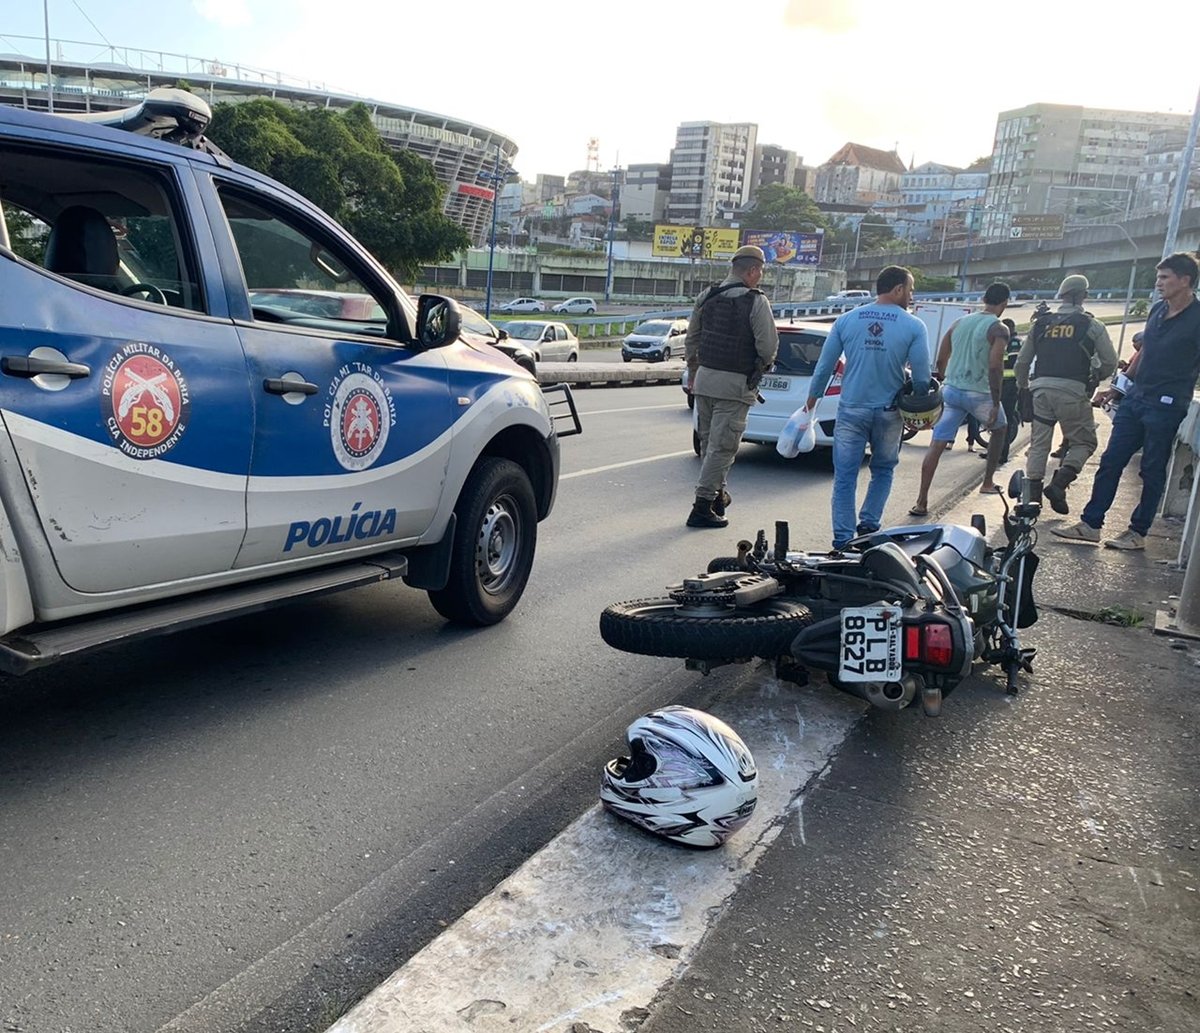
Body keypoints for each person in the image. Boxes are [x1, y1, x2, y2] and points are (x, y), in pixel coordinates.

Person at [1053, 252, 1200, 550]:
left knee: (1152, 469)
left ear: (1185, 281)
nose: (1158, 283)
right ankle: (1091, 524)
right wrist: (1119, 389)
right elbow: (1143, 353)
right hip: (1136, 399)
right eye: (1158, 277)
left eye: (1164, 278)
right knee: (1111, 461)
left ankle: (1137, 532)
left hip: (1167, 404)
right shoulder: (1158, 311)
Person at [803, 265, 930, 549]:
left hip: (851, 410)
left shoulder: (846, 320)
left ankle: (843, 539)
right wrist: (918, 409)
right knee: (883, 469)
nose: (911, 296)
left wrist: (811, 402)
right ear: (897, 289)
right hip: (889, 412)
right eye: (910, 290)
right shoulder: (913, 326)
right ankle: (869, 526)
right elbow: (922, 378)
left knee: (845, 476)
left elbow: (825, 367)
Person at [683, 244, 779, 528]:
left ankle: (717, 497)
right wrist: (763, 365)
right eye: (759, 272)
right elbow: (768, 347)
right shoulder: (756, 301)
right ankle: (701, 507)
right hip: (735, 386)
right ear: (751, 271)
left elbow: (692, 340)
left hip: (705, 381)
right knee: (722, 448)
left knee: (711, 444)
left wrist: (692, 373)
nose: (759, 277)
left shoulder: (707, 296)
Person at [1014, 274, 1116, 514]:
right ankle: (1059, 484)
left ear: (1061, 295)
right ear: (1084, 296)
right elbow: (1110, 361)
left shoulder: (1040, 324)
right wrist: (1096, 377)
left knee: (1039, 444)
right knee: (1084, 442)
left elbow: (1022, 362)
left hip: (1040, 390)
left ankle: (1031, 500)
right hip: (1072, 391)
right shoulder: (1092, 325)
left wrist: (1024, 386)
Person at [909, 282, 1011, 516]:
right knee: (1000, 429)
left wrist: (947, 378)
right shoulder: (999, 328)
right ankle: (987, 482)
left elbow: (942, 357)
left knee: (937, 443)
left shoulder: (959, 323)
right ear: (1004, 303)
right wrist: (996, 402)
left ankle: (921, 501)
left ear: (984, 298)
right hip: (979, 393)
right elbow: (995, 366)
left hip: (951, 390)